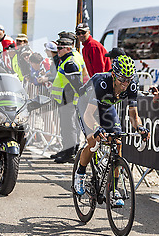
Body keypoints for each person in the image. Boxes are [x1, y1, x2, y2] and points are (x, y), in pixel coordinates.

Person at [74, 55, 150, 206]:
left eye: (128, 79)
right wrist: (96, 128)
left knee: (117, 141)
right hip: (86, 107)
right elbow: (89, 114)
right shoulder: (102, 82)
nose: (125, 84)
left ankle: (114, 189)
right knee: (93, 141)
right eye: (122, 79)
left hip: (106, 107)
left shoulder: (132, 85)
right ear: (114, 75)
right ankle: (80, 173)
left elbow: (134, 115)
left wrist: (140, 127)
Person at [50, 33, 86, 163]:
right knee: (65, 127)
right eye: (57, 48)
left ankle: (69, 154)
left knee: (69, 127)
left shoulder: (70, 63)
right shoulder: (65, 60)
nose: (57, 50)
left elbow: (77, 85)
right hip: (64, 99)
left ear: (68, 48)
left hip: (69, 100)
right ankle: (66, 150)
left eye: (60, 48)